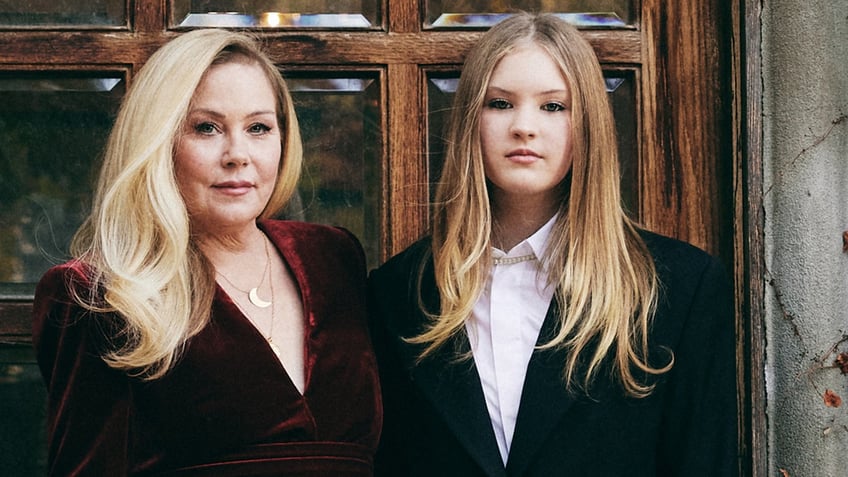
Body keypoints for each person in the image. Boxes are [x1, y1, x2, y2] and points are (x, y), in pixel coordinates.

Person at [368, 12, 737, 476]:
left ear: (587, 124)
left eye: (553, 106)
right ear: (470, 121)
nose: (524, 126)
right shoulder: (396, 292)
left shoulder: (680, 287)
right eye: (500, 104)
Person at [32, 29, 381, 476]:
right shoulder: (96, 292)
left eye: (258, 127)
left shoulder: (333, 257)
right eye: (206, 128)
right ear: (159, 143)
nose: (238, 154)